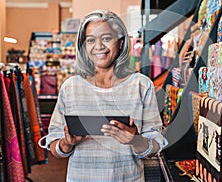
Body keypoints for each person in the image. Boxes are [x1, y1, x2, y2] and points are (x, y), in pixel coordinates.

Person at [39, 10, 168, 181]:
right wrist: (67, 142)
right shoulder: (71, 87)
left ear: (120, 42)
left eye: (106, 38)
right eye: (91, 40)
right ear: (84, 45)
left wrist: (135, 140)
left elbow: (155, 143)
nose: (98, 46)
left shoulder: (141, 85)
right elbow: (55, 145)